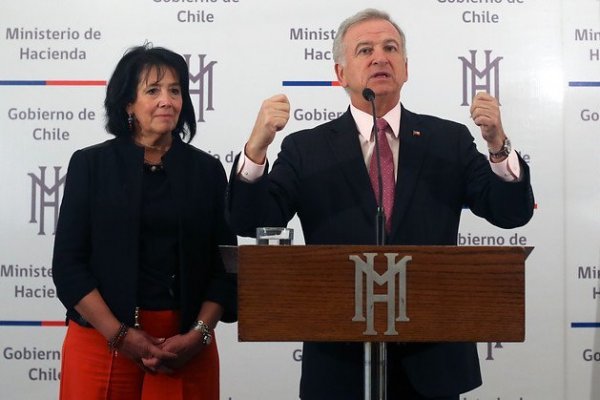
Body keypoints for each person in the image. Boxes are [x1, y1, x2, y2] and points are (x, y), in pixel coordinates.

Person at [225, 8, 534, 400]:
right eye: (365, 50)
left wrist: (497, 145)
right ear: (341, 73)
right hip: (339, 362)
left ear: (405, 67)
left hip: (432, 358)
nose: (379, 58)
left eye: (390, 48)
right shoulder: (306, 149)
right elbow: (251, 220)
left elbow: (511, 214)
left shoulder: (448, 141)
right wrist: (256, 149)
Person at [52, 44, 237, 400]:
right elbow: (68, 266)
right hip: (101, 340)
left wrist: (198, 334)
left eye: (175, 90)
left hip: (186, 346)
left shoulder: (207, 171)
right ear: (127, 104)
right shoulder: (91, 166)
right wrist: (120, 335)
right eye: (153, 90)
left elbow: (226, 266)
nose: (167, 100)